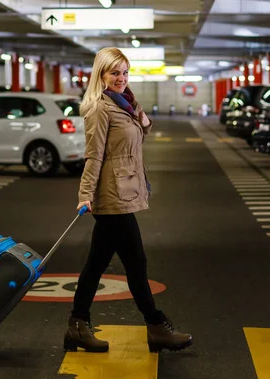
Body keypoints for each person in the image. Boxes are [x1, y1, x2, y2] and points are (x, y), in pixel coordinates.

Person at [64, 47, 193, 354]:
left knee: (96, 263)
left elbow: (144, 130)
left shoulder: (121, 104)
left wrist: (132, 103)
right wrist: (85, 195)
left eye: (124, 73)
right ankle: (156, 326)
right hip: (111, 196)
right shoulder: (100, 109)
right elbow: (93, 156)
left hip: (124, 190)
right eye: (114, 73)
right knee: (136, 263)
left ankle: (78, 326)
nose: (121, 78)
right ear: (101, 74)